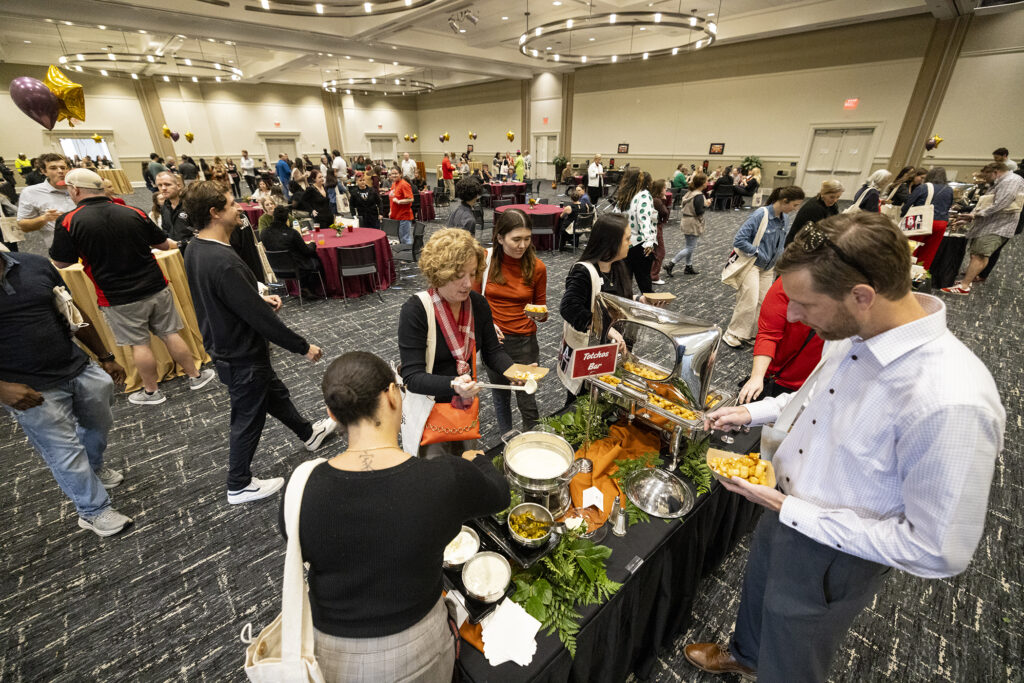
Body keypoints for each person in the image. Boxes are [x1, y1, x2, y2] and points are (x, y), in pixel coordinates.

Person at [686, 212, 1004, 683]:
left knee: (796, 645)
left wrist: (795, 513)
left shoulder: (950, 400)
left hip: (833, 551)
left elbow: (938, 550)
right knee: (760, 596)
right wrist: (752, 413)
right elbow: (816, 398)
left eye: (803, 304)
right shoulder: (856, 330)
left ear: (861, 296)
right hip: (784, 506)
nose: (792, 316)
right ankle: (747, 655)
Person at [283, 351, 509, 682]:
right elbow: (499, 495)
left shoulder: (298, 486)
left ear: (332, 413)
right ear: (393, 394)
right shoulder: (444, 478)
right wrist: (478, 462)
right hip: (418, 647)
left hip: (327, 654)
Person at [182, 181, 336, 504]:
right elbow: (261, 321)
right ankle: (238, 483)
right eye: (230, 203)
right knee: (247, 415)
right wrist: (302, 346)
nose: (239, 207)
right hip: (241, 353)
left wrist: (255, 299)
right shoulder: (222, 261)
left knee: (273, 394)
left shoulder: (195, 248)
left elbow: (226, 298)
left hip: (226, 345)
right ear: (214, 213)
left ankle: (308, 434)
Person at [49, 169, 216, 405]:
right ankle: (196, 376)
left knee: (140, 344)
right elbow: (162, 244)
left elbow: (61, 262)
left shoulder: (68, 220)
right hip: (155, 285)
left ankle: (152, 392)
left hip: (116, 295)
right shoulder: (132, 211)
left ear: (75, 190)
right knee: (170, 333)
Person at [0, 249, 134, 536]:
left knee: (99, 423)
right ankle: (93, 511)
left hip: (76, 366)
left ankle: (94, 468)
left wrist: (105, 355)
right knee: (64, 452)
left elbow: (72, 311)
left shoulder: (33, 264)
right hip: (27, 387)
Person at [398, 228, 513, 459]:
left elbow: (492, 351)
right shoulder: (417, 310)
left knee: (467, 466)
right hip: (429, 410)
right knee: (435, 476)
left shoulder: (478, 305)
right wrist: (454, 384)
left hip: (463, 406)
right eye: (458, 275)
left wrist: (514, 370)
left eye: (471, 274)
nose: (467, 284)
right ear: (439, 274)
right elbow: (412, 377)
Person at [476, 209, 547, 434]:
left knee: (527, 397)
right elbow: (474, 302)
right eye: (516, 239)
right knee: (500, 394)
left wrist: (541, 315)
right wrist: (487, 325)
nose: (522, 245)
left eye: (527, 239)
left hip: (525, 340)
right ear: (499, 237)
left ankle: (533, 442)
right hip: (494, 342)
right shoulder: (484, 261)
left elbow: (542, 309)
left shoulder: (537, 267)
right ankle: (508, 437)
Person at [722, 186, 805, 348]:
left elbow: (780, 243)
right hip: (752, 264)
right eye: (795, 205)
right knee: (749, 301)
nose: (796, 209)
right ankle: (732, 333)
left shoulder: (784, 218)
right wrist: (757, 252)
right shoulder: (761, 214)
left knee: (763, 302)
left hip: (769, 267)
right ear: (784, 201)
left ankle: (749, 333)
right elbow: (739, 239)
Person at [736, 277, 824, 404]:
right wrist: (757, 376)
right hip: (778, 377)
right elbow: (768, 333)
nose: (794, 317)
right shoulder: (789, 281)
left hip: (815, 384)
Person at [941, 162, 1024, 296]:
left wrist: (974, 215)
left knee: (980, 255)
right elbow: (986, 202)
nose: (985, 180)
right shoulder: (1002, 181)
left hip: (997, 226)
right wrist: (970, 217)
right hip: (990, 224)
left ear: (995, 172)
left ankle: (964, 286)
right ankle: (967, 280)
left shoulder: (1011, 181)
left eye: (986, 176)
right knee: (978, 254)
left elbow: (1001, 204)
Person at [16, 153, 76, 249]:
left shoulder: (79, 187)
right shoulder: (31, 192)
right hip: (62, 249)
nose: (60, 171)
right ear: (43, 171)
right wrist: (44, 218)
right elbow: (23, 226)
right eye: (53, 168)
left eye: (63, 167)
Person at [261, 205, 324, 296]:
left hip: (276, 268)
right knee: (317, 260)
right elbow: (307, 251)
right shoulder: (292, 233)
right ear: (287, 219)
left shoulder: (264, 233)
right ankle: (312, 288)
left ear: (273, 217)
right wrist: (312, 244)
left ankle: (303, 287)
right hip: (296, 269)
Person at [615, 168, 658, 294]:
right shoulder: (643, 195)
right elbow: (644, 219)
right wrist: (649, 241)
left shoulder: (624, 196)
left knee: (625, 282)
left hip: (624, 244)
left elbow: (616, 218)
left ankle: (624, 309)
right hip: (641, 245)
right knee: (644, 283)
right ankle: (650, 310)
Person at [902, 166, 953, 270]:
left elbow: (908, 204)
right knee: (929, 252)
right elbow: (948, 206)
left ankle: (903, 272)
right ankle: (918, 277)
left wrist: (903, 215)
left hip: (922, 220)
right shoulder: (949, 189)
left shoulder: (924, 187)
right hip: (941, 223)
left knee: (911, 249)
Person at [664, 172, 708, 277]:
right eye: (706, 181)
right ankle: (671, 264)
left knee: (689, 246)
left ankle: (688, 266)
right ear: (702, 183)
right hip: (692, 222)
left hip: (686, 220)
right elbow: (699, 212)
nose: (708, 183)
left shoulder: (690, 192)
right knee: (690, 248)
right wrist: (706, 205)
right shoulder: (699, 196)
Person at [785, 179, 844, 247]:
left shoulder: (831, 205)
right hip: (798, 245)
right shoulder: (814, 208)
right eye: (832, 197)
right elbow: (819, 233)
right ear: (823, 193)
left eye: (838, 197)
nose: (835, 200)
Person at [156, 171, 194, 251]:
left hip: (193, 251)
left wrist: (179, 244)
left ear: (178, 186)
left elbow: (202, 234)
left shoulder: (191, 204)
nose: (163, 188)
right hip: (174, 252)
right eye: (160, 185)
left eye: (167, 184)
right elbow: (166, 229)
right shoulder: (164, 207)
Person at [650, 179, 670, 284]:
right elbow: (665, 213)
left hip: (652, 227)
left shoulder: (652, 198)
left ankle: (651, 273)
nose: (666, 190)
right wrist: (665, 200)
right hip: (655, 227)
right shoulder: (657, 200)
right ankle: (654, 275)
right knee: (660, 251)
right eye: (664, 188)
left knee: (653, 250)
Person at [388, 167, 414, 245]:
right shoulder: (394, 184)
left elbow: (411, 199)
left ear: (400, 174)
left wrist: (399, 201)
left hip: (404, 216)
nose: (394, 175)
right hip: (397, 216)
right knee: (401, 237)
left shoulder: (404, 184)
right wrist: (390, 211)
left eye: (396, 173)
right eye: (392, 174)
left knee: (405, 238)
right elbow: (392, 200)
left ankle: (408, 255)